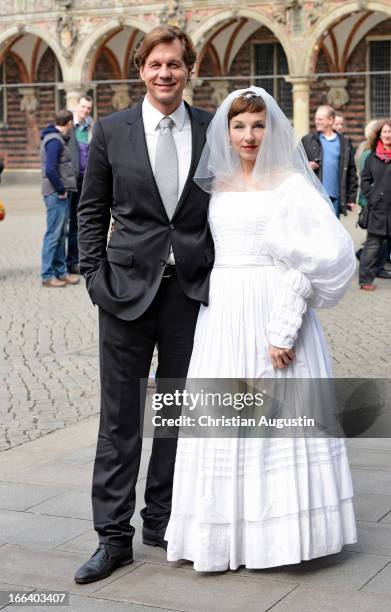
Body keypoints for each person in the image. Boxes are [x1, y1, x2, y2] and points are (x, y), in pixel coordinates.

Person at [165, 87, 357, 571]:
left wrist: (285, 326)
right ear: (225, 132)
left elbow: (325, 256)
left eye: (257, 125)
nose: (248, 136)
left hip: (273, 307)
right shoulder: (217, 185)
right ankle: (226, 536)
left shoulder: (291, 183)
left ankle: (285, 538)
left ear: (271, 128)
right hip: (224, 311)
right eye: (238, 126)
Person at [74, 25, 213, 584]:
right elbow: (92, 207)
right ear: (141, 71)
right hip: (125, 293)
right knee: (120, 419)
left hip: (189, 293)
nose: (165, 73)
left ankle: (162, 519)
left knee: (177, 413)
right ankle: (113, 537)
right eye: (155, 64)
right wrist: (92, 275)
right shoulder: (112, 130)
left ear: (188, 70)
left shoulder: (211, 128)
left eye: (174, 65)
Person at [40, 110, 80, 288]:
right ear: (69, 123)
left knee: (60, 234)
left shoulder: (55, 139)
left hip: (59, 193)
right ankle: (48, 275)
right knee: (54, 235)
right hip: (57, 194)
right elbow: (50, 169)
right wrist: (61, 188)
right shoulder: (54, 141)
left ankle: (61, 271)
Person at [302, 105, 357, 217]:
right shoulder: (307, 140)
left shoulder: (344, 143)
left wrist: (351, 198)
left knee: (333, 233)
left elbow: (351, 171)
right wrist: (305, 165)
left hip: (335, 198)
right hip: (313, 197)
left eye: (320, 119)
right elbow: (293, 164)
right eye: (316, 118)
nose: (316, 121)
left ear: (331, 120)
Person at [358, 119, 391, 291]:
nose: (388, 135)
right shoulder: (372, 156)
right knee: (373, 245)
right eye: (385, 132)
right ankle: (365, 280)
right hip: (378, 208)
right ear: (379, 134)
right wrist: (372, 197)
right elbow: (365, 180)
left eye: (390, 132)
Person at [67, 94, 94, 274]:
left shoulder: (91, 127)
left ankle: (74, 260)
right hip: (69, 182)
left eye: (88, 108)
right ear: (77, 106)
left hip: (85, 182)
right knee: (63, 225)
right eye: (83, 107)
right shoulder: (67, 126)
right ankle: (63, 263)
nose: (85, 111)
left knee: (78, 223)